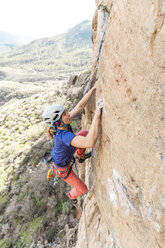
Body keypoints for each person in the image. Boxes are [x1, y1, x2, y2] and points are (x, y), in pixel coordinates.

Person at [42, 82, 103, 201]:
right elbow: (90, 142)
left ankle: (81, 157)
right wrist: (97, 114)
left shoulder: (63, 124)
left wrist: (93, 89)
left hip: (68, 152)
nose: (68, 114)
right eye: (65, 114)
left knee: (84, 133)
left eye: (66, 112)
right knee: (83, 189)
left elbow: (79, 107)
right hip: (63, 169)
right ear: (58, 123)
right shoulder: (64, 136)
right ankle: (72, 196)